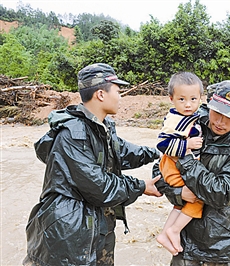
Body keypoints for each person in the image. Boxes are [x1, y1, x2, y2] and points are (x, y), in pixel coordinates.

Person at [23, 63, 162, 265]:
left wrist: (160, 153)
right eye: (117, 91)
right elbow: (99, 187)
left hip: (96, 225)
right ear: (100, 94)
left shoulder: (100, 127)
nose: (121, 97)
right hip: (70, 231)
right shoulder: (73, 133)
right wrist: (141, 186)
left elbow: (123, 152)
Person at [154, 80, 230, 265]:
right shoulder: (192, 127)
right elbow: (160, 170)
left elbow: (221, 194)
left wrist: (185, 159)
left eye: (229, 116)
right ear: (209, 104)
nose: (219, 121)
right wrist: (178, 193)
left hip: (222, 245)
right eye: (216, 112)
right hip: (185, 242)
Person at [155, 72, 204, 256]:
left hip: (174, 165)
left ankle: (165, 233)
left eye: (193, 99)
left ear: (200, 97)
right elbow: (162, 144)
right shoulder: (175, 120)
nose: (188, 104)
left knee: (180, 204)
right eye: (182, 99)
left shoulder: (190, 115)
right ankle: (174, 230)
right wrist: (187, 145)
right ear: (171, 99)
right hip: (172, 166)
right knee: (197, 199)